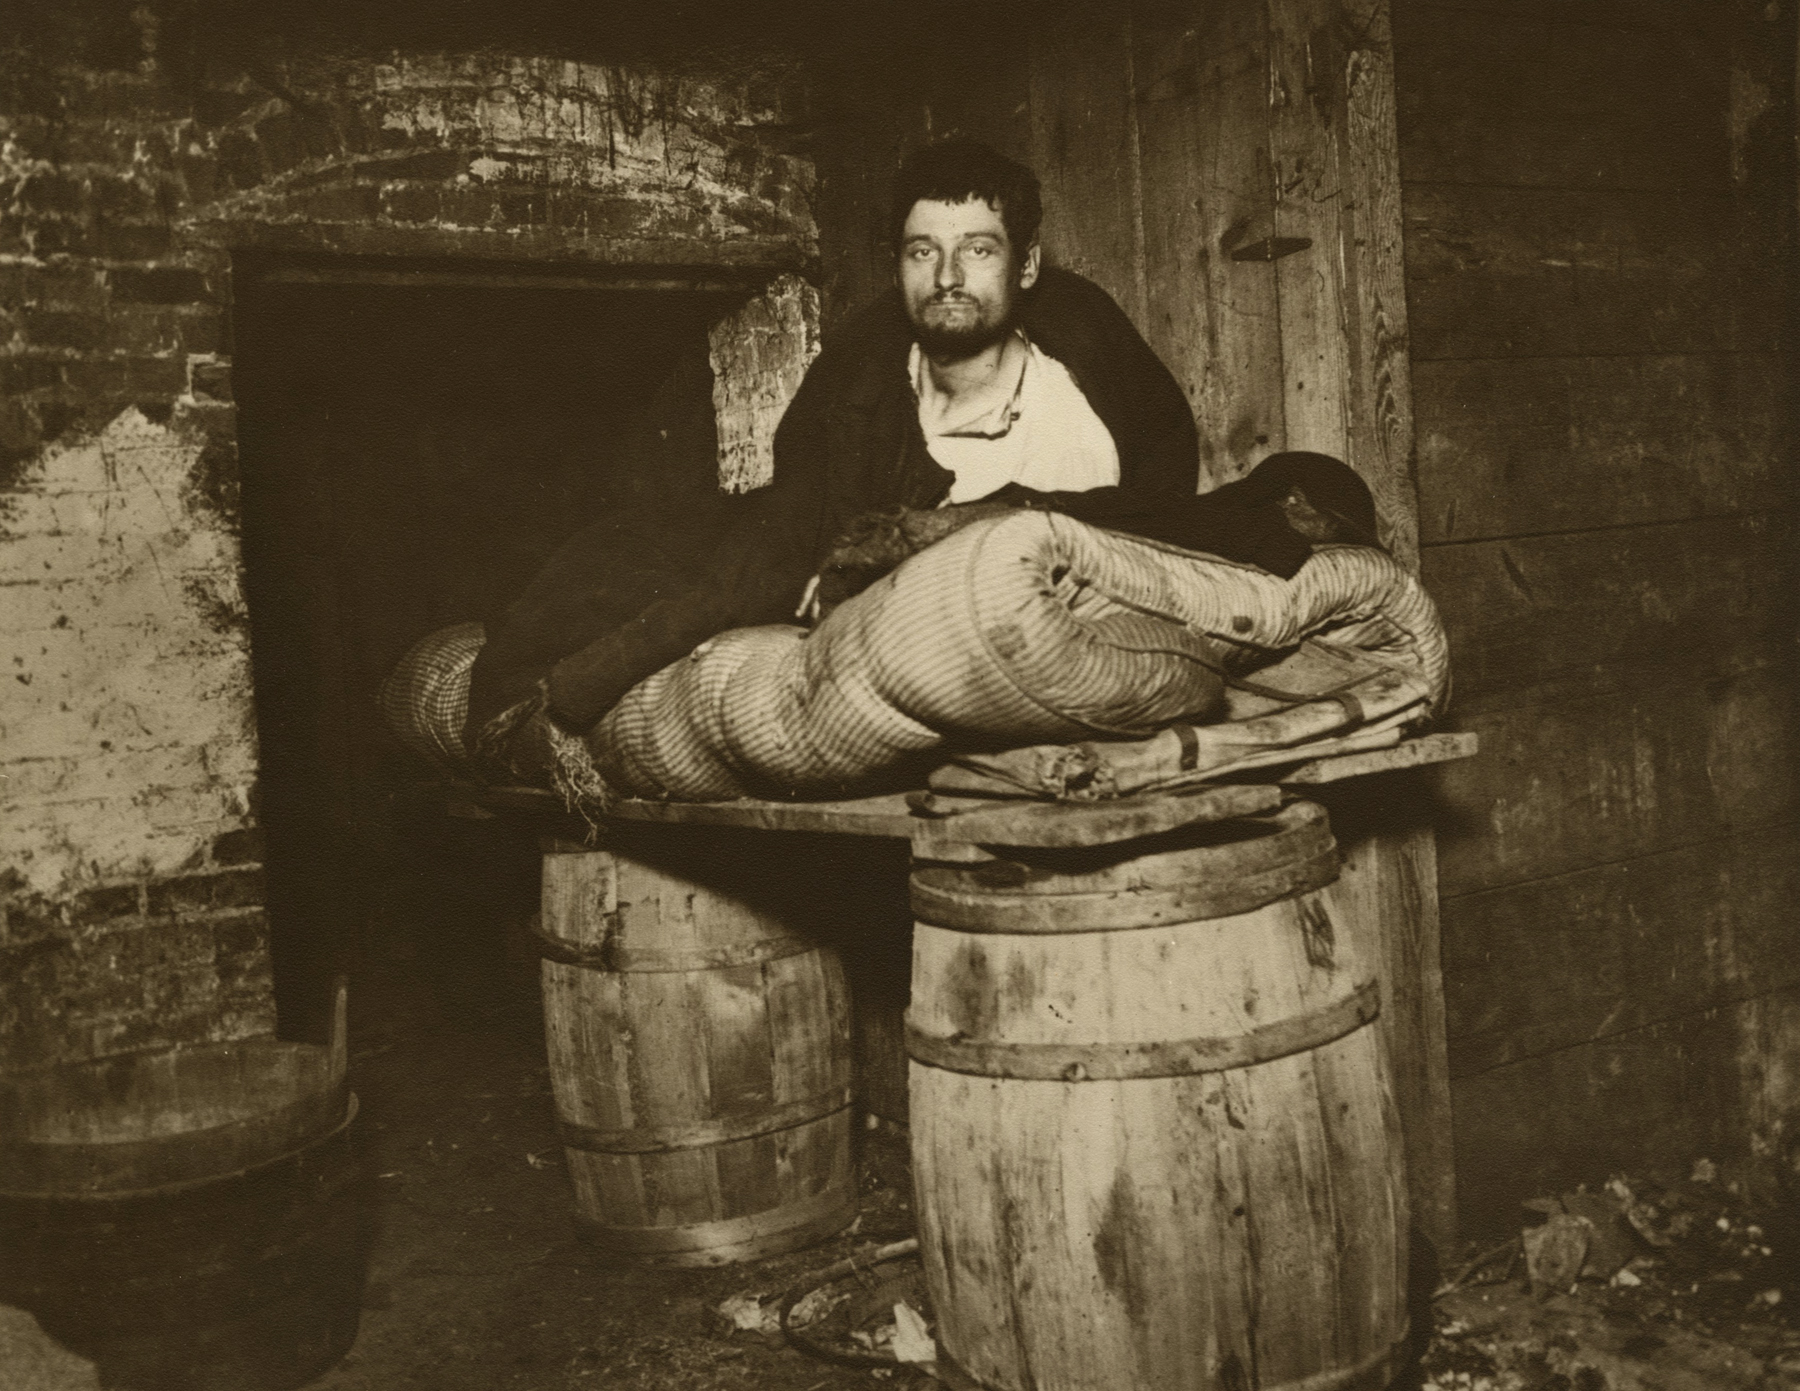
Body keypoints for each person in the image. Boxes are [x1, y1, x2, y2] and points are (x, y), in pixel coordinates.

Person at [465, 138, 1378, 758]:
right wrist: (582, 682)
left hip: (1043, 625)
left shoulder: (1086, 383)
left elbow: (1153, 514)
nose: (946, 278)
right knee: (653, 544)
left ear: (1022, 267)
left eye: (977, 250)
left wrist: (961, 524)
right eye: (920, 252)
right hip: (879, 608)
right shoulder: (863, 384)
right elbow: (787, 534)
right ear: (897, 264)